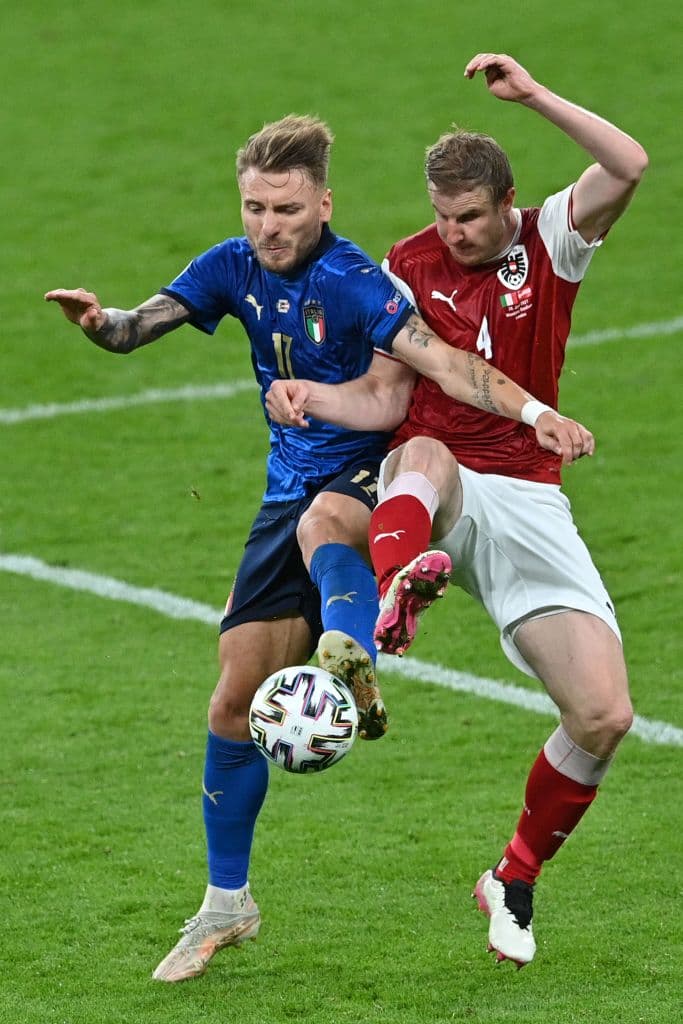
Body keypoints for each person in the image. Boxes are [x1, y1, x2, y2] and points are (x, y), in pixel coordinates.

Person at [45, 112, 592, 982]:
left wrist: (535, 413)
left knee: (328, 522)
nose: (268, 225)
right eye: (255, 207)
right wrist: (97, 320)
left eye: (287, 209)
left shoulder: (355, 281)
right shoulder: (230, 265)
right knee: (232, 704)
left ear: (323, 205)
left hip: (371, 475)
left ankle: (353, 644)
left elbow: (444, 366)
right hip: (284, 491)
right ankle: (228, 904)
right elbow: (136, 326)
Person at [265, 55, 648, 968]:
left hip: (527, 496)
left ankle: (511, 878)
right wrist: (314, 397)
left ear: (507, 202)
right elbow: (387, 398)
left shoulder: (550, 240)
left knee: (603, 716)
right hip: (433, 482)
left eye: (469, 216)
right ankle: (398, 589)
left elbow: (628, 164)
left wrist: (535, 95)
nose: (453, 233)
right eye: (441, 216)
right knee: (425, 452)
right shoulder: (405, 264)